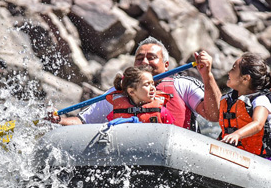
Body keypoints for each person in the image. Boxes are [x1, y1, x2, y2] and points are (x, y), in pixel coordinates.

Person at [52, 37, 221, 130]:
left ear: (166, 65)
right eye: (139, 58)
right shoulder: (118, 93)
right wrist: (59, 120)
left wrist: (208, 77)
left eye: (152, 57)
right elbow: (83, 122)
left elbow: (214, 116)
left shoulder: (183, 85)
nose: (144, 61)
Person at [218, 52, 271, 162]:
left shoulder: (261, 99)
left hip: (263, 160)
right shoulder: (229, 99)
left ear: (245, 78)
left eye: (233, 69)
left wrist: (237, 134)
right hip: (237, 155)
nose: (229, 72)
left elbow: (258, 123)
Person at [106, 65, 174, 124]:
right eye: (147, 84)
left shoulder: (162, 112)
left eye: (152, 84)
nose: (152, 88)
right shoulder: (116, 113)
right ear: (131, 92)